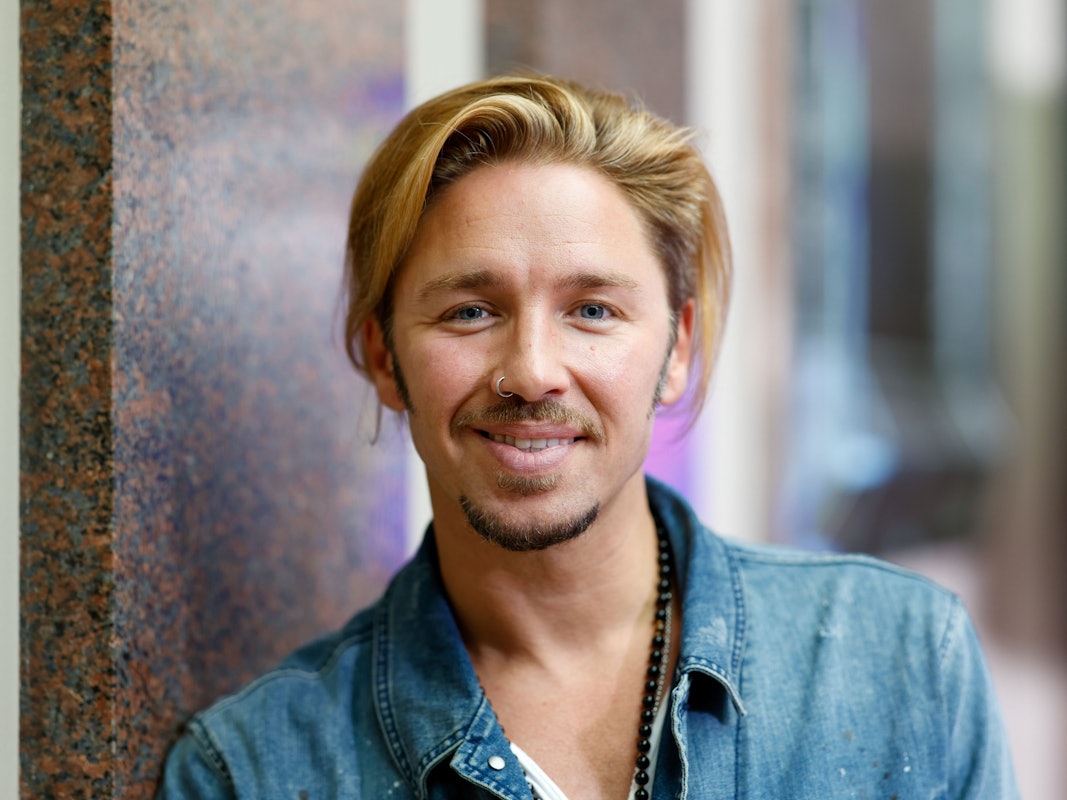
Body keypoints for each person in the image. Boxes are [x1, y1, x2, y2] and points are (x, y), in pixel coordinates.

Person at [158, 74, 1017, 799]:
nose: (530, 372)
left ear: (676, 348)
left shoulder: (897, 655)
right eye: (470, 311)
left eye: (592, 311)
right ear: (383, 356)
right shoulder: (256, 769)